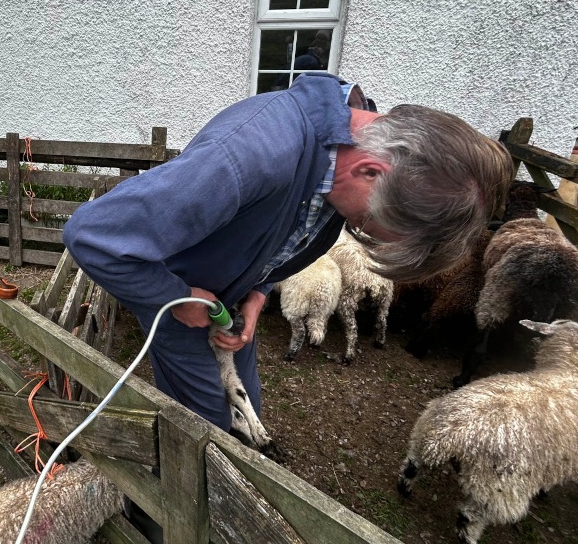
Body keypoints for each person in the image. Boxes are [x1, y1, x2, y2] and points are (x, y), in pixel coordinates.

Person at [63, 72, 513, 434]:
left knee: (247, 411)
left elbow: (283, 231)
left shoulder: (349, 149)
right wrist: (174, 299)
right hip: (182, 305)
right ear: (371, 171)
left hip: (232, 306)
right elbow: (92, 235)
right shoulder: (248, 156)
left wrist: (258, 293)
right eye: (373, 226)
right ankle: (167, 527)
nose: (363, 231)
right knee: (205, 436)